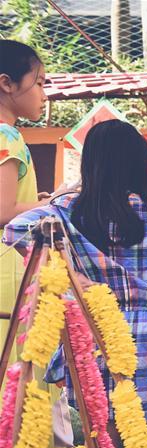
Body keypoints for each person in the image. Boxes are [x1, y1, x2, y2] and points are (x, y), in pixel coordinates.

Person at [3, 120, 147, 448]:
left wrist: (71, 274)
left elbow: (14, 229)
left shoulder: (67, 210)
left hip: (94, 328)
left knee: (104, 431)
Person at [0, 40, 51, 360]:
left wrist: (35, 201)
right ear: (6, 83)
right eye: (40, 83)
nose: (44, 95)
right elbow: (4, 211)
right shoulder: (8, 136)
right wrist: (54, 203)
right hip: (9, 265)